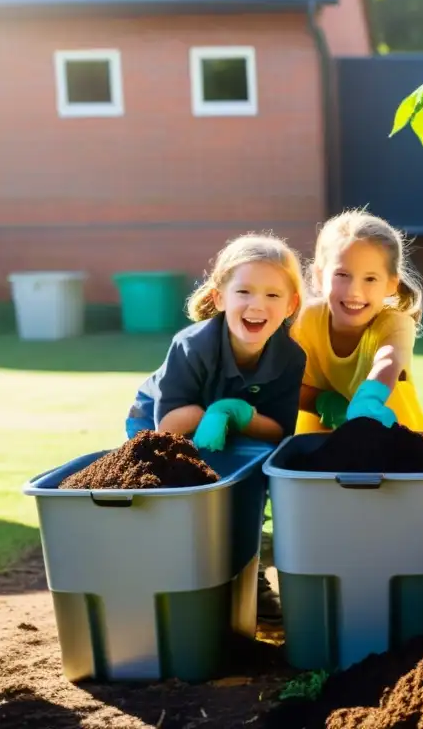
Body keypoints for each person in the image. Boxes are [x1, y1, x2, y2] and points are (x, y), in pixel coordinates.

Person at [126, 232, 308, 623]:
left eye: (273, 295)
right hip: (157, 425)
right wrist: (209, 413)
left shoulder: (290, 357)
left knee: (250, 492)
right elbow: (167, 428)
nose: (257, 304)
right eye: (244, 291)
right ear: (219, 297)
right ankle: (167, 582)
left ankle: (249, 578)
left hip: (237, 428)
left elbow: (277, 431)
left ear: (292, 304)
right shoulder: (192, 346)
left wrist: (234, 412)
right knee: (172, 496)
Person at [290, 209, 423, 433]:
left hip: (394, 434)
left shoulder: (396, 323)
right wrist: (322, 402)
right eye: (342, 275)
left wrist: (369, 398)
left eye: (370, 278)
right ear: (318, 276)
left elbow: (388, 361)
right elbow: (283, 384)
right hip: (320, 435)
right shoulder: (304, 320)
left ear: (392, 284)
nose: (354, 291)